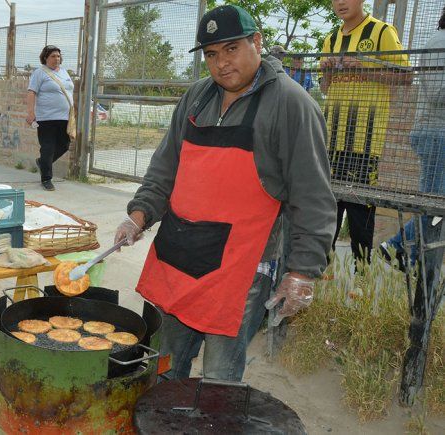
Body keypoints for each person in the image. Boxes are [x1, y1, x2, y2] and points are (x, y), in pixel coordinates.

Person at [114, 5, 336, 382]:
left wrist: (302, 271)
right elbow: (165, 167)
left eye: (231, 49)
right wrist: (139, 215)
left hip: (237, 271)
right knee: (163, 366)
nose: (221, 63)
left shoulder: (291, 104)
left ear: (257, 42)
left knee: (218, 380)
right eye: (211, 54)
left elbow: (312, 196)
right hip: (178, 255)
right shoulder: (198, 97)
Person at [320, 0, 410, 265]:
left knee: (360, 214)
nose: (340, 3)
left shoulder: (382, 31)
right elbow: (325, 89)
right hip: (331, 139)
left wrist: (364, 68)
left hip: (365, 141)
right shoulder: (331, 38)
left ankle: (360, 282)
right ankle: (320, 278)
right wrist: (326, 72)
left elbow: (406, 76)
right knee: (327, 211)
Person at [381, 7, 445, 270]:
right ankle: (398, 245)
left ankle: (408, 253)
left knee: (436, 206)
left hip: (436, 134)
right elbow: (438, 93)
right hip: (435, 135)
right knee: (434, 205)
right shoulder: (440, 42)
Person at [26, 45, 74, 191]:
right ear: (45, 58)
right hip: (46, 118)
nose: (56, 59)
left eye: (58, 56)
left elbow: (69, 91)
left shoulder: (65, 72)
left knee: (64, 145)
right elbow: (31, 92)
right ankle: (46, 178)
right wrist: (30, 113)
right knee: (48, 147)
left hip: (65, 117)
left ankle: (43, 163)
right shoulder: (40, 73)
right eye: (53, 56)